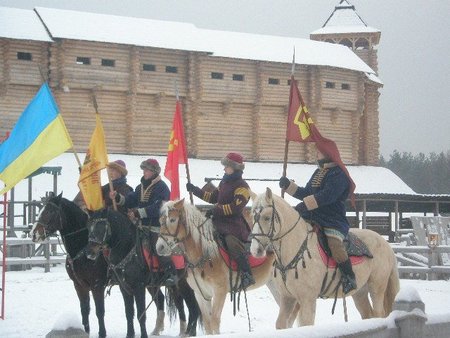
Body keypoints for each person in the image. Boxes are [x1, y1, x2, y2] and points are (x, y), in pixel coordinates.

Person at [279, 143, 357, 294]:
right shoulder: (318, 172)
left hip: (331, 219)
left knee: (334, 244)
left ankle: (349, 277)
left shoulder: (339, 174)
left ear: (328, 154)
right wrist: (288, 186)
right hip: (313, 216)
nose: (316, 154)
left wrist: (305, 205)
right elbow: (306, 192)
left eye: (319, 152)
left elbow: (327, 196)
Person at [186, 152, 255, 289]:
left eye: (226, 166)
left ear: (234, 168)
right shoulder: (224, 182)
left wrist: (217, 210)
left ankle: (247, 273)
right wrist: (195, 190)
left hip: (233, 225)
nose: (224, 169)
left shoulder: (243, 186)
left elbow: (236, 207)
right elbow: (212, 198)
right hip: (217, 222)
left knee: (231, 243)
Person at [109, 158, 178, 286]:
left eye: (147, 170)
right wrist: (118, 197)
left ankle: (170, 272)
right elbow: (130, 200)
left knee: (158, 247)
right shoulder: (140, 187)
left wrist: (138, 213)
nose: (144, 172)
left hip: (157, 226)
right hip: (141, 226)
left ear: (154, 172)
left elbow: (159, 207)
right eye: (144, 170)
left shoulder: (162, 187)